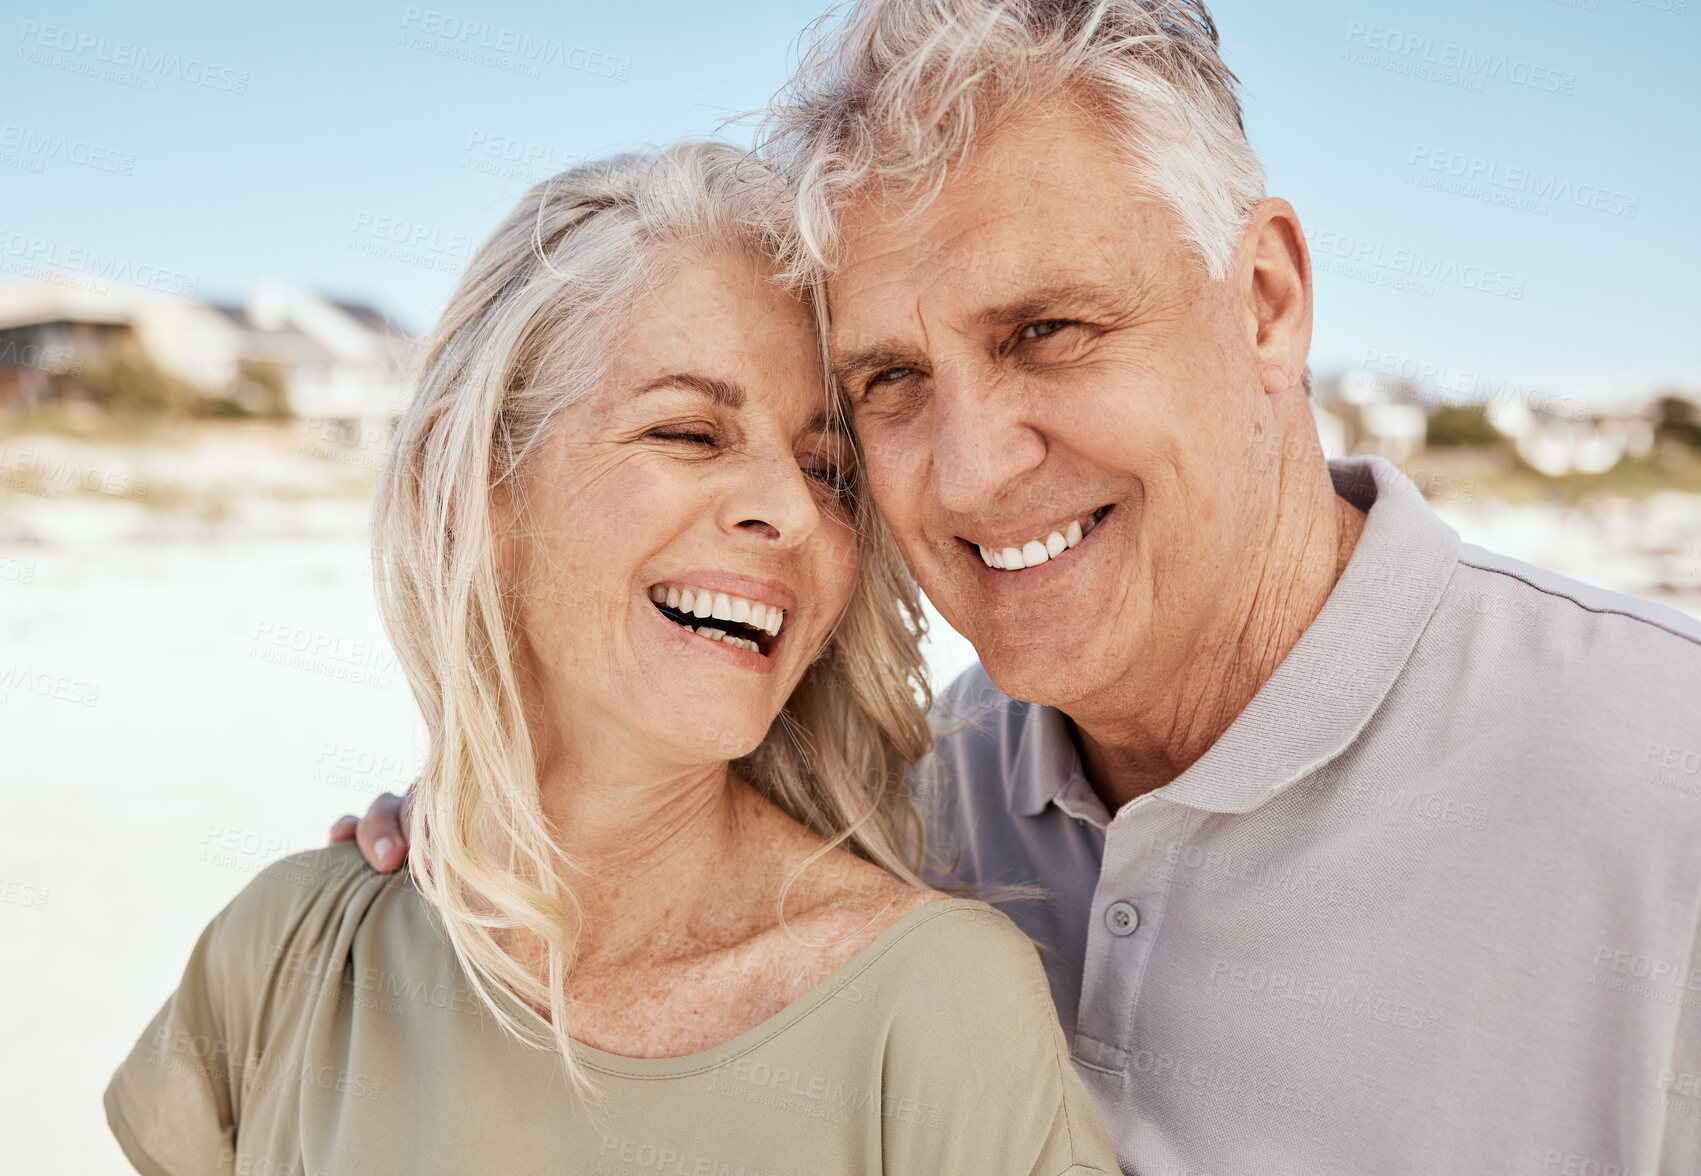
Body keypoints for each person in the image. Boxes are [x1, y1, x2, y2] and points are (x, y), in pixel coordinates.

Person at [343, 3, 1701, 1174]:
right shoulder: (903, 814)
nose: (974, 471)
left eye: (1045, 333)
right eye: (890, 383)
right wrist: (492, 826)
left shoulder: (1664, 789)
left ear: (1268, 302)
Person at [104, 142, 1119, 1176]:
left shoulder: (937, 1012)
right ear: (473, 491)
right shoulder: (289, 948)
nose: (789, 512)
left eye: (826, 471)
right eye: (687, 432)